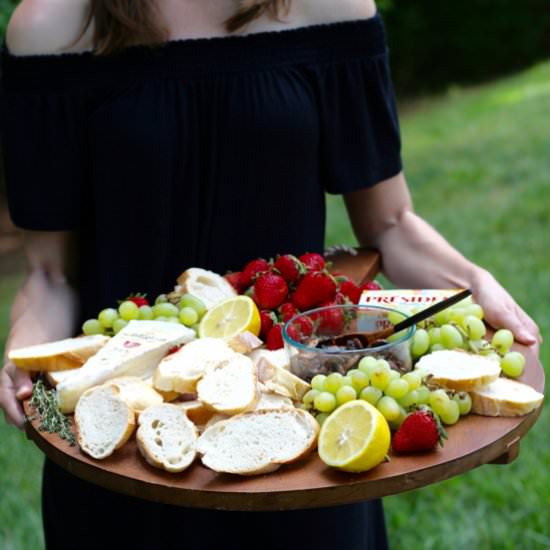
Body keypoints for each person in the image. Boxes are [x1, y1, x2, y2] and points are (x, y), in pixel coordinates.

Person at [0, 0, 541, 549]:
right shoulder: (52, 27)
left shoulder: (328, 7)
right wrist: (25, 353)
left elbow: (392, 222)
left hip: (295, 440)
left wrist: (475, 285)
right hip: (125, 443)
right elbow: (49, 276)